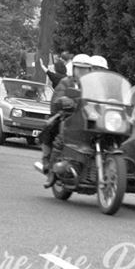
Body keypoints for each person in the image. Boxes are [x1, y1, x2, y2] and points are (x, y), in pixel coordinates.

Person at [38, 53, 102, 186]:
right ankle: (51, 172)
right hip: (69, 117)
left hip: (90, 119)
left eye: (85, 69)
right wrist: (64, 101)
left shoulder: (95, 86)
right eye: (79, 69)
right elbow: (57, 99)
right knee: (59, 137)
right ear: (73, 69)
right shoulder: (66, 82)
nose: (82, 72)